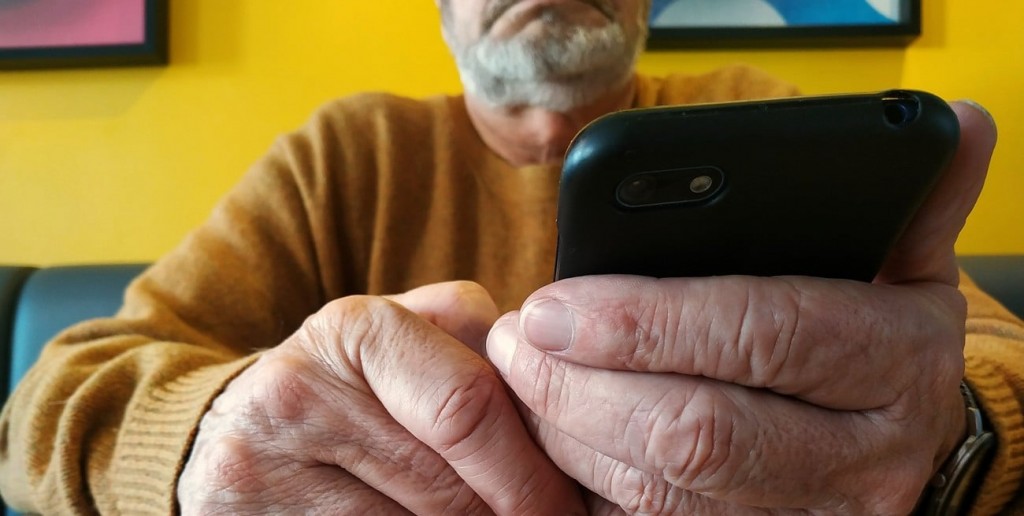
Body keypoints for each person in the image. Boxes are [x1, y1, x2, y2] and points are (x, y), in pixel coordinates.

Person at [2, 0, 1022, 514]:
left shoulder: (764, 115)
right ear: (442, 12)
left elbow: (994, 361)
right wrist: (209, 444)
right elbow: (47, 399)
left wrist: (949, 441)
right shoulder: (347, 153)